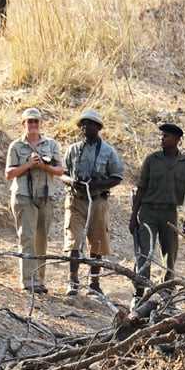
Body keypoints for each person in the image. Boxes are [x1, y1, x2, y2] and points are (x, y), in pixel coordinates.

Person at [129, 122, 185, 299]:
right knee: (145, 253)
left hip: (169, 213)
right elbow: (141, 189)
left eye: (166, 136)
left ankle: (167, 294)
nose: (162, 138)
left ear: (177, 139)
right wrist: (133, 216)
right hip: (148, 212)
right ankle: (139, 293)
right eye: (162, 135)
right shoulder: (152, 160)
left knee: (170, 254)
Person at [63, 110, 123, 296]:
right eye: (82, 124)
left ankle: (94, 283)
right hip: (76, 200)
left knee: (97, 242)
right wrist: (72, 181)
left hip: (97, 201)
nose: (84, 127)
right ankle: (73, 281)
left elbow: (117, 177)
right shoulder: (73, 149)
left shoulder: (108, 151)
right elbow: (62, 173)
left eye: (89, 124)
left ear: (98, 127)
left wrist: (97, 183)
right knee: (74, 241)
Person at [5, 108, 64, 294]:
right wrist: (29, 164)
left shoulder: (51, 144)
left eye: (36, 121)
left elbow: (60, 170)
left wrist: (43, 165)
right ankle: (28, 280)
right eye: (29, 121)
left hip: (45, 195)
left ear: (40, 123)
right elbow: (9, 174)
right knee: (27, 237)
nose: (33, 125)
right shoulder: (16, 146)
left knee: (41, 238)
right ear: (23, 124)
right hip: (24, 196)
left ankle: (40, 279)